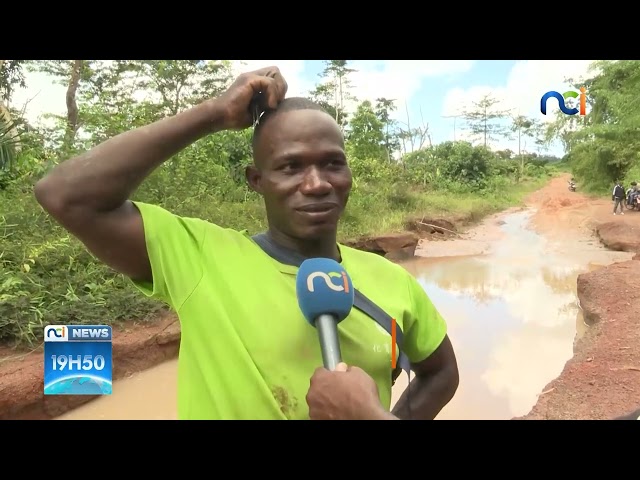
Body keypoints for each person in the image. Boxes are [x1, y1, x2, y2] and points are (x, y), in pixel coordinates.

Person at [34, 66, 459, 420]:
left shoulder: (393, 282)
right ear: (256, 181)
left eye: (333, 163)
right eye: (290, 167)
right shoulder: (199, 256)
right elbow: (65, 195)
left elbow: (441, 374)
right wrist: (214, 113)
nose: (316, 184)